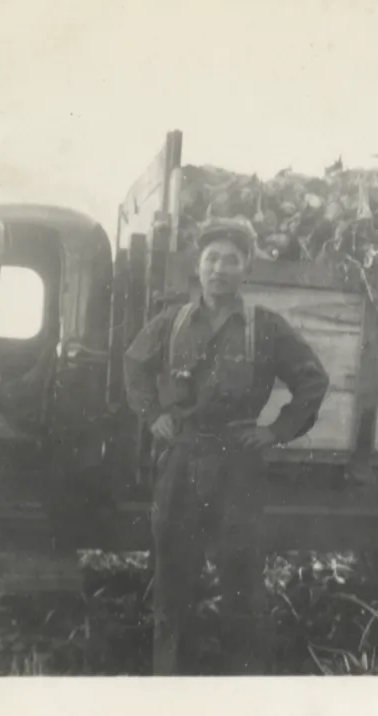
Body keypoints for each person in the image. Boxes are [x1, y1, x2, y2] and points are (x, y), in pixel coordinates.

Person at [123, 220, 330, 675]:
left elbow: (313, 380)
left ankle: (242, 687)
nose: (220, 268)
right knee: (173, 584)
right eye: (212, 258)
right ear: (197, 267)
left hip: (238, 466)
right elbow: (134, 366)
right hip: (182, 459)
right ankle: (169, 688)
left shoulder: (265, 327)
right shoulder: (172, 323)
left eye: (231, 260)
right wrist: (153, 414)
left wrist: (277, 430)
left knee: (242, 586)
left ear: (247, 269)